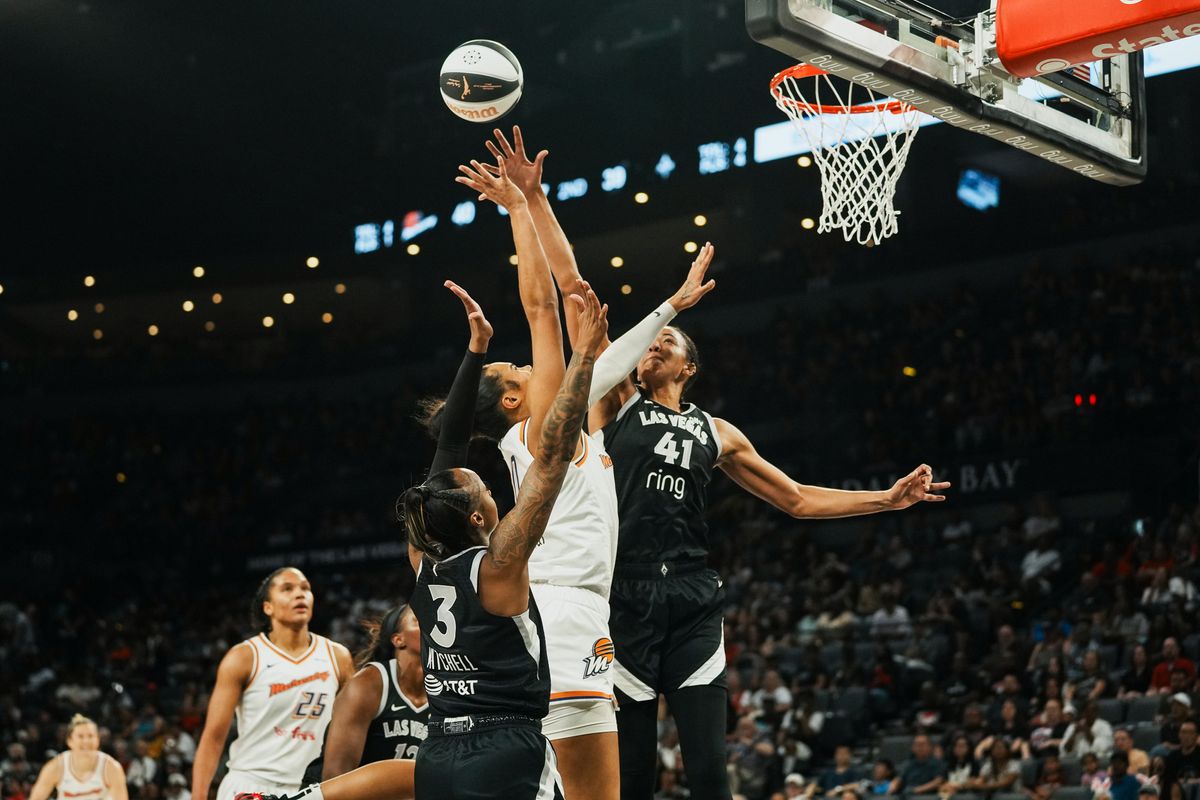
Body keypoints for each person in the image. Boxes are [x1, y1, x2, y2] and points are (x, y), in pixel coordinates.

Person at [452, 134, 717, 800]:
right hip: (563, 612)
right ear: (514, 399)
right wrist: (520, 205)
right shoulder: (546, 428)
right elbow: (544, 305)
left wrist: (530, 202)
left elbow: (574, 298)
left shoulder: (567, 423)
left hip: (565, 611)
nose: (522, 362)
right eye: (511, 368)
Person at [402, 282, 607, 798]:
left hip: (439, 746)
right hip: (504, 742)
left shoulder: (422, 559)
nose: (492, 487)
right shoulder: (501, 563)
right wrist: (579, 359)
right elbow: (555, 455)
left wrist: (477, 352)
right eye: (487, 489)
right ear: (477, 518)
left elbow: (449, 441)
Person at [192, 568, 353, 800]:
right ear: (268, 607)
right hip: (249, 784)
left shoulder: (338, 657)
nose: (300, 594)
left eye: (305, 588)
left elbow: (349, 730)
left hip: (309, 788)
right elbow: (213, 737)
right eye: (287, 589)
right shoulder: (244, 657)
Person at [28, 715, 128, 800]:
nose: (86, 741)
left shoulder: (112, 768)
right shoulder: (55, 767)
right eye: (80, 736)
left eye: (90, 736)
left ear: (98, 740)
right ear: (69, 741)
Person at [1164, 721, 1200, 800]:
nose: (1186, 736)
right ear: (1179, 735)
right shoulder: (1172, 757)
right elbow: (1167, 785)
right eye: (1183, 732)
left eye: (1190, 733)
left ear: (1196, 736)